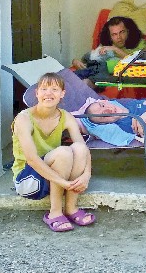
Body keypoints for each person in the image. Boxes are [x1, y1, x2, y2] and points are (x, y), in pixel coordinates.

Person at [11, 73, 94, 232]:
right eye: (44, 89)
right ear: (37, 93)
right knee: (63, 152)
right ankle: (54, 213)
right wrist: (64, 183)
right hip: (28, 180)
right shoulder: (24, 119)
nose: (48, 93)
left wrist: (87, 174)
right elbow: (32, 159)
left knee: (79, 148)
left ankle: (71, 209)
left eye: (54, 89)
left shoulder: (66, 116)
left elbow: (83, 149)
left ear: (62, 94)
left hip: (54, 177)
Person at [71, 16, 146, 85]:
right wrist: (76, 62)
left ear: (128, 31)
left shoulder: (141, 43)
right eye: (114, 34)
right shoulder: (106, 44)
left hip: (119, 76)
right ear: (110, 36)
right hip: (96, 74)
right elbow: (93, 58)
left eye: (122, 32)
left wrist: (116, 49)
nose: (119, 37)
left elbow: (141, 65)